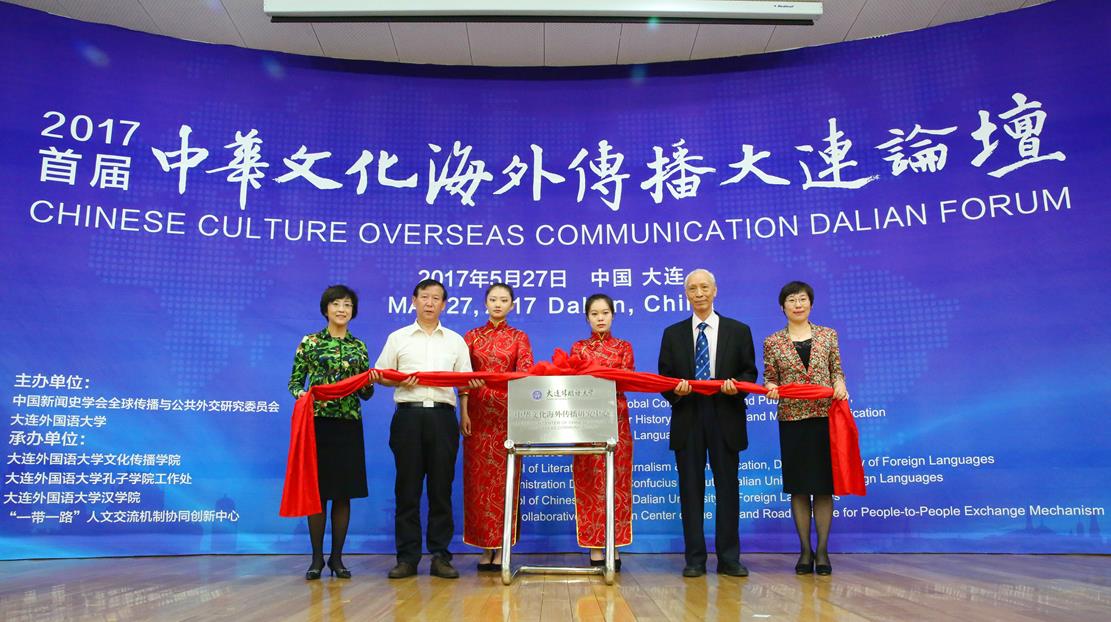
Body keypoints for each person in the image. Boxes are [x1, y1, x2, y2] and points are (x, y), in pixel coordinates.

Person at [658, 269, 757, 578]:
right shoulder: (672, 333)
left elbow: (749, 372)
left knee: (728, 489)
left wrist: (736, 387)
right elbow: (664, 377)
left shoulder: (738, 330)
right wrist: (676, 391)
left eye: (704, 287)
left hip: (725, 414)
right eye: (692, 288)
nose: (699, 293)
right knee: (690, 490)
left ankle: (729, 558)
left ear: (715, 291)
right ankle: (695, 559)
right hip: (688, 415)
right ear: (686, 294)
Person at [375, 278, 475, 580]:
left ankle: (440, 556)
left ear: (444, 305)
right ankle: (407, 558)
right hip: (408, 417)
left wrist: (465, 413)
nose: (430, 303)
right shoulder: (398, 338)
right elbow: (381, 375)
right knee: (407, 489)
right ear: (414, 301)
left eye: (436, 298)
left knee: (441, 489)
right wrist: (398, 379)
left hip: (443, 418)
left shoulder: (455, 341)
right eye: (424, 297)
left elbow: (465, 381)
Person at [287, 284, 380, 580]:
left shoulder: (359, 346)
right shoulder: (310, 342)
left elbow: (366, 394)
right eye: (336, 304)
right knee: (318, 493)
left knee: (343, 494)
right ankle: (316, 559)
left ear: (353, 311)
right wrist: (302, 395)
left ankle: (337, 559)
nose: (342, 309)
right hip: (317, 424)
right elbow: (294, 383)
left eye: (347, 305)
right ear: (326, 309)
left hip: (348, 424)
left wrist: (369, 382)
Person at [763, 281, 847, 576]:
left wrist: (840, 383)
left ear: (810, 304)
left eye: (802, 299)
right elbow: (770, 377)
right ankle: (804, 550)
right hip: (792, 420)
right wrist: (771, 387)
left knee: (823, 487)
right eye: (791, 300)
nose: (797, 305)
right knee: (798, 488)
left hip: (824, 417)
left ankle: (822, 551)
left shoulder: (828, 335)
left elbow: (837, 370)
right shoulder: (773, 341)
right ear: (782, 306)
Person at [461, 283, 534, 571]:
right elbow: (462, 377)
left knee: (506, 480)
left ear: (512, 305)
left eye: (504, 300)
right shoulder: (471, 336)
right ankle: (485, 547)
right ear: (485, 303)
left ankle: (503, 546)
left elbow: (526, 374)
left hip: (508, 415)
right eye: (493, 299)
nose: (498, 304)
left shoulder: (519, 337)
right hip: (477, 415)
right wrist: (464, 411)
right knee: (478, 482)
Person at [569, 293, 634, 570]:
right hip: (586, 423)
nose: (600, 318)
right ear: (587, 318)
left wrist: (599, 378)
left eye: (605, 313)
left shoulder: (624, 347)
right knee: (590, 483)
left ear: (613, 316)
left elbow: (626, 379)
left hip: (616, 420)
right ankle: (595, 546)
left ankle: (614, 544)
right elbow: (574, 382)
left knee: (616, 483)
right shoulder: (578, 347)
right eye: (594, 314)